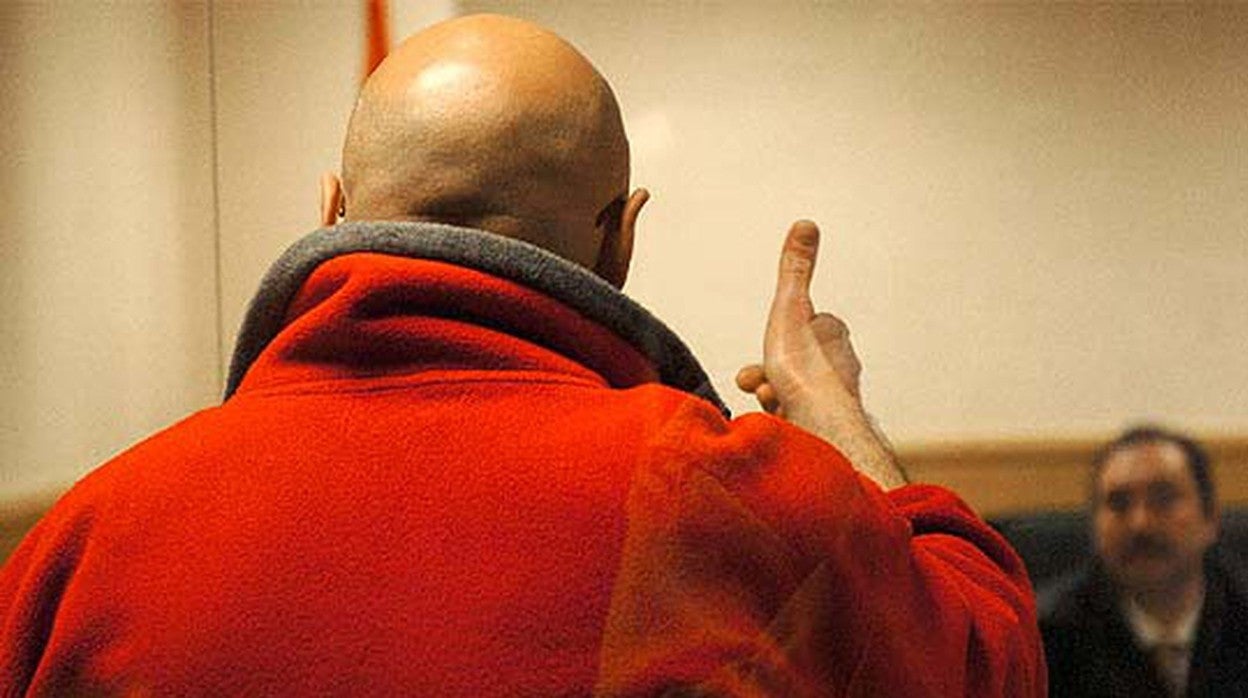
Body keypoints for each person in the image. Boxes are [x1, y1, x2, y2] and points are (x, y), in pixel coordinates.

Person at [0, 14, 1044, 696]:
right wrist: (833, 415)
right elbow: (987, 667)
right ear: (620, 237)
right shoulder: (730, 498)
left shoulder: (83, 543)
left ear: (330, 210)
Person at [1041, 426, 1248, 696]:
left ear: (1211, 518)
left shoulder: (1240, 610)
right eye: (1119, 503)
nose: (1140, 523)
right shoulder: (1050, 638)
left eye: (1164, 498)